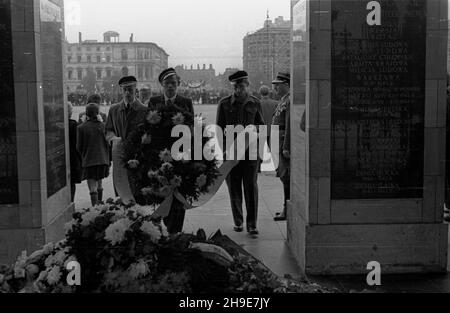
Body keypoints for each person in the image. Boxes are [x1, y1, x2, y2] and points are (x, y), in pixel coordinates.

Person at [216, 70, 265, 236]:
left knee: (251, 187)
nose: (239, 89)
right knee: (234, 187)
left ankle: (252, 224)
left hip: (250, 152)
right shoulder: (224, 104)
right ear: (233, 87)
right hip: (231, 153)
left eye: (242, 86)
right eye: (236, 86)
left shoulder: (255, 103)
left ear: (247, 85)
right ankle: (238, 221)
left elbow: (261, 125)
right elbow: (219, 129)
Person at [148, 68, 194, 234]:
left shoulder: (185, 102)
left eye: (173, 83)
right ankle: (162, 227)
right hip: (159, 155)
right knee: (161, 193)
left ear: (178, 84)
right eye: (167, 84)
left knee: (179, 193)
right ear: (162, 85)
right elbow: (149, 127)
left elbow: (191, 128)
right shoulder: (154, 101)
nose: (170, 87)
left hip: (180, 155)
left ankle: (176, 232)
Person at [105, 76, 148, 197]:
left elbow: (148, 132)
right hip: (119, 156)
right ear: (121, 91)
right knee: (121, 192)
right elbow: (108, 130)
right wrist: (112, 139)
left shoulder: (144, 110)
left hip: (137, 157)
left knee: (137, 192)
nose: (127, 93)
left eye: (130, 89)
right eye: (125, 90)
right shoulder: (114, 109)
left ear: (136, 90)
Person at [77, 103, 111, 206]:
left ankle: (95, 208)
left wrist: (84, 155)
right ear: (98, 113)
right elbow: (109, 144)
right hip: (103, 160)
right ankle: (100, 205)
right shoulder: (104, 126)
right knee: (99, 183)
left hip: (89, 160)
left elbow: (79, 147)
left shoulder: (81, 128)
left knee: (92, 188)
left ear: (86, 113)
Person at [271, 73, 291, 222]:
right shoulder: (283, 100)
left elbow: (289, 124)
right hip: (278, 141)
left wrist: (286, 146)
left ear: (287, 84)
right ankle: (287, 206)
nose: (275, 87)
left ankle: (287, 208)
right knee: (283, 176)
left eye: (278, 84)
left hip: (283, 142)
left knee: (286, 177)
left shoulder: (290, 100)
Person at [68, 103, 82, 202]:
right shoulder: (73, 125)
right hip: (72, 158)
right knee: (71, 182)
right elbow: (78, 144)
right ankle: (71, 202)